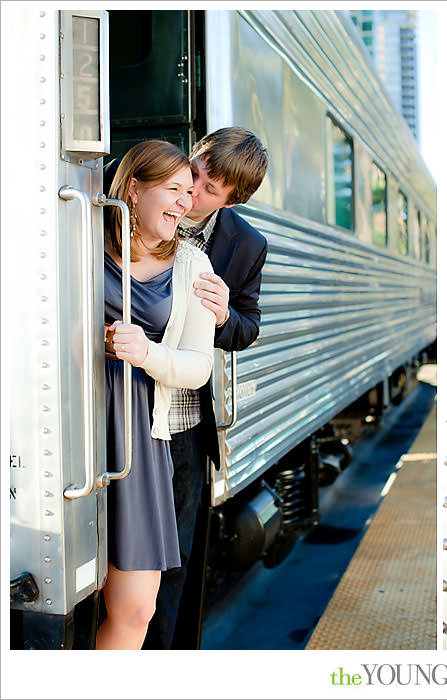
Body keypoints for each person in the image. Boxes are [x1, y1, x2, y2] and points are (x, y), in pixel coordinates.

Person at [145, 127, 269, 648]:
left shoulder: (245, 244)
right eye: (196, 172)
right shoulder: (140, 188)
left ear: (232, 200)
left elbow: (249, 325)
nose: (192, 192)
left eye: (211, 190)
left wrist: (222, 317)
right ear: (194, 152)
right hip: (116, 402)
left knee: (172, 561)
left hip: (182, 420)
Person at [98, 140, 215, 649]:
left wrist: (144, 353)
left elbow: (197, 367)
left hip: (138, 441)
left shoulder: (194, 266)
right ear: (133, 188)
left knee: (137, 606)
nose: (184, 203)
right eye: (173, 189)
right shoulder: (79, 236)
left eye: (189, 192)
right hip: (70, 427)